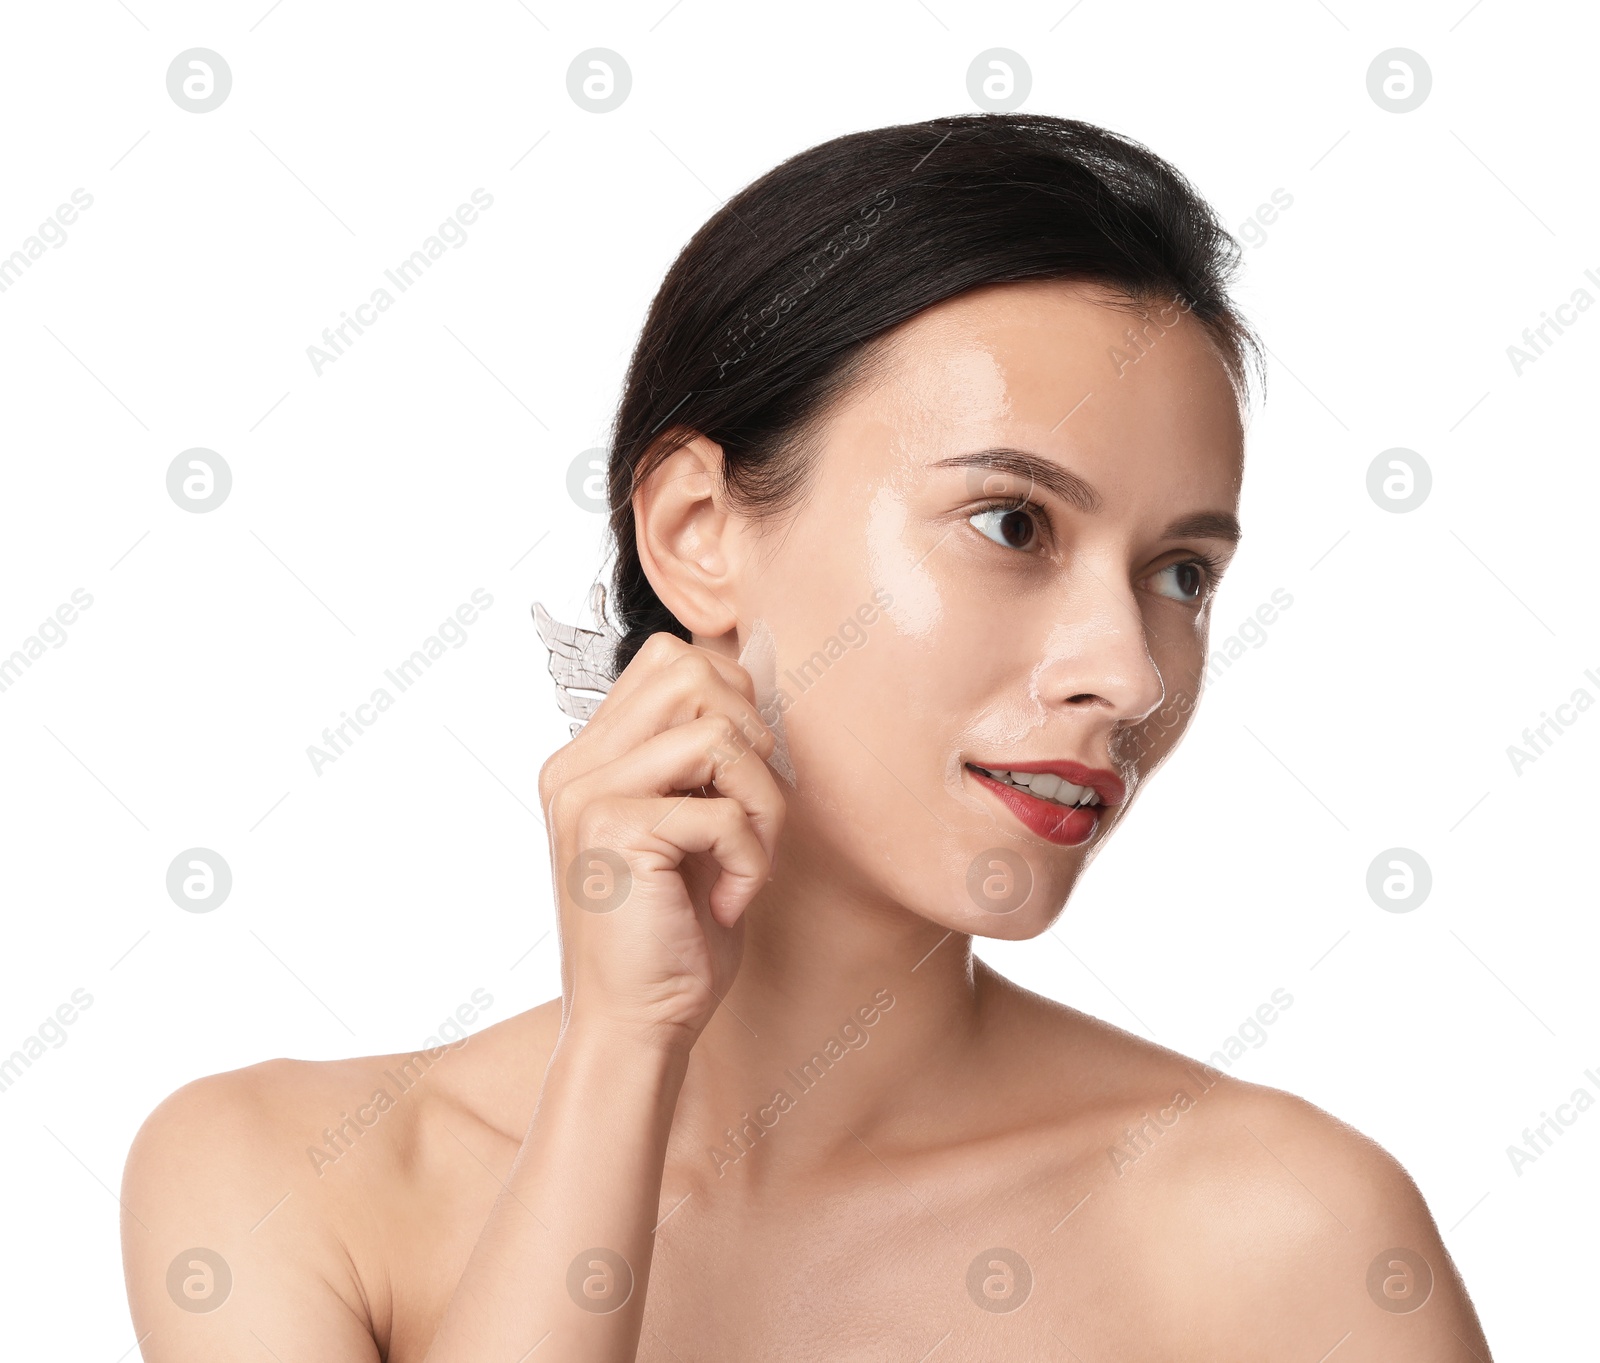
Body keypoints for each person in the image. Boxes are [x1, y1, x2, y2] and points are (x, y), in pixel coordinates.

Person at [121, 112, 1493, 1361]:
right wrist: (623, 1050)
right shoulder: (280, 1179)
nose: (1131, 674)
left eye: (1182, 573)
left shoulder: (1296, 1243)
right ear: (698, 535)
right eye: (1013, 524)